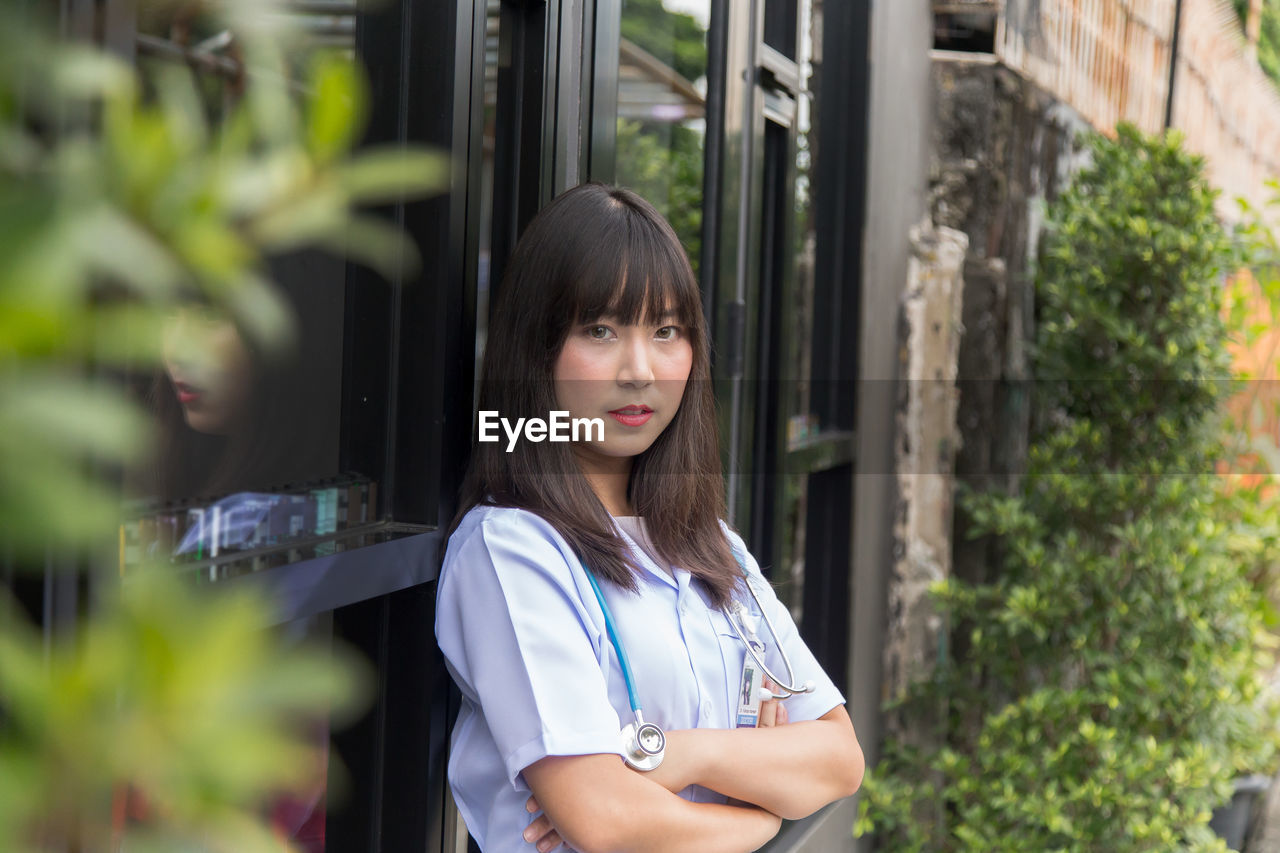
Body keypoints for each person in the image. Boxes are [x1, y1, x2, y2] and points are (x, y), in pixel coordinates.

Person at [436, 183, 863, 853]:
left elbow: (838, 756)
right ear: (537, 349)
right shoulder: (512, 550)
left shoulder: (712, 547)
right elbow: (606, 818)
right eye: (600, 330)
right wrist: (760, 816)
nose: (640, 371)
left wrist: (682, 755)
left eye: (666, 330)